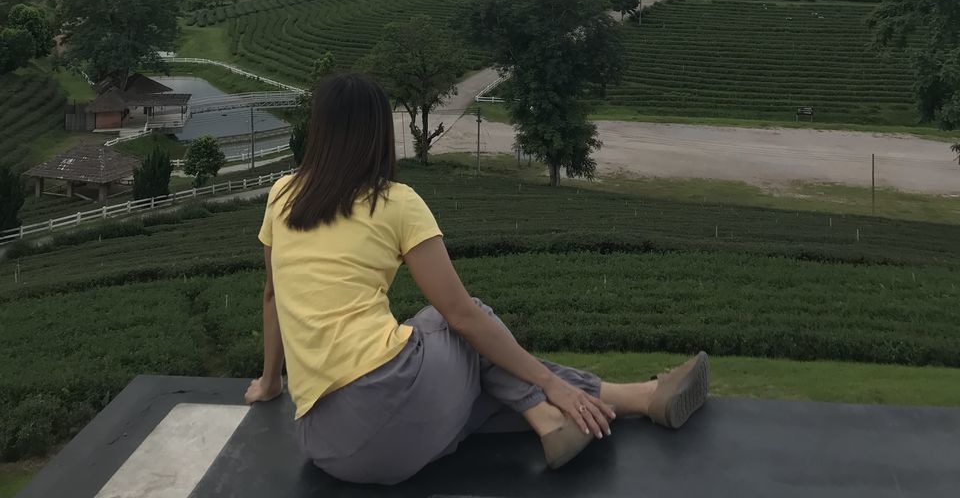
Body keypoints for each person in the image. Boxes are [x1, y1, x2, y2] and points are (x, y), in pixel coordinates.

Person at [245, 74, 709, 485]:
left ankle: (630, 399)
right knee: (458, 324)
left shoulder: (282, 195)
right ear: (378, 133)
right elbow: (461, 316)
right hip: (387, 397)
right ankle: (568, 413)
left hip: (332, 448)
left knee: (480, 388)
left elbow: (272, 296)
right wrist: (549, 381)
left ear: (319, 132)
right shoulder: (395, 202)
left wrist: (270, 382)